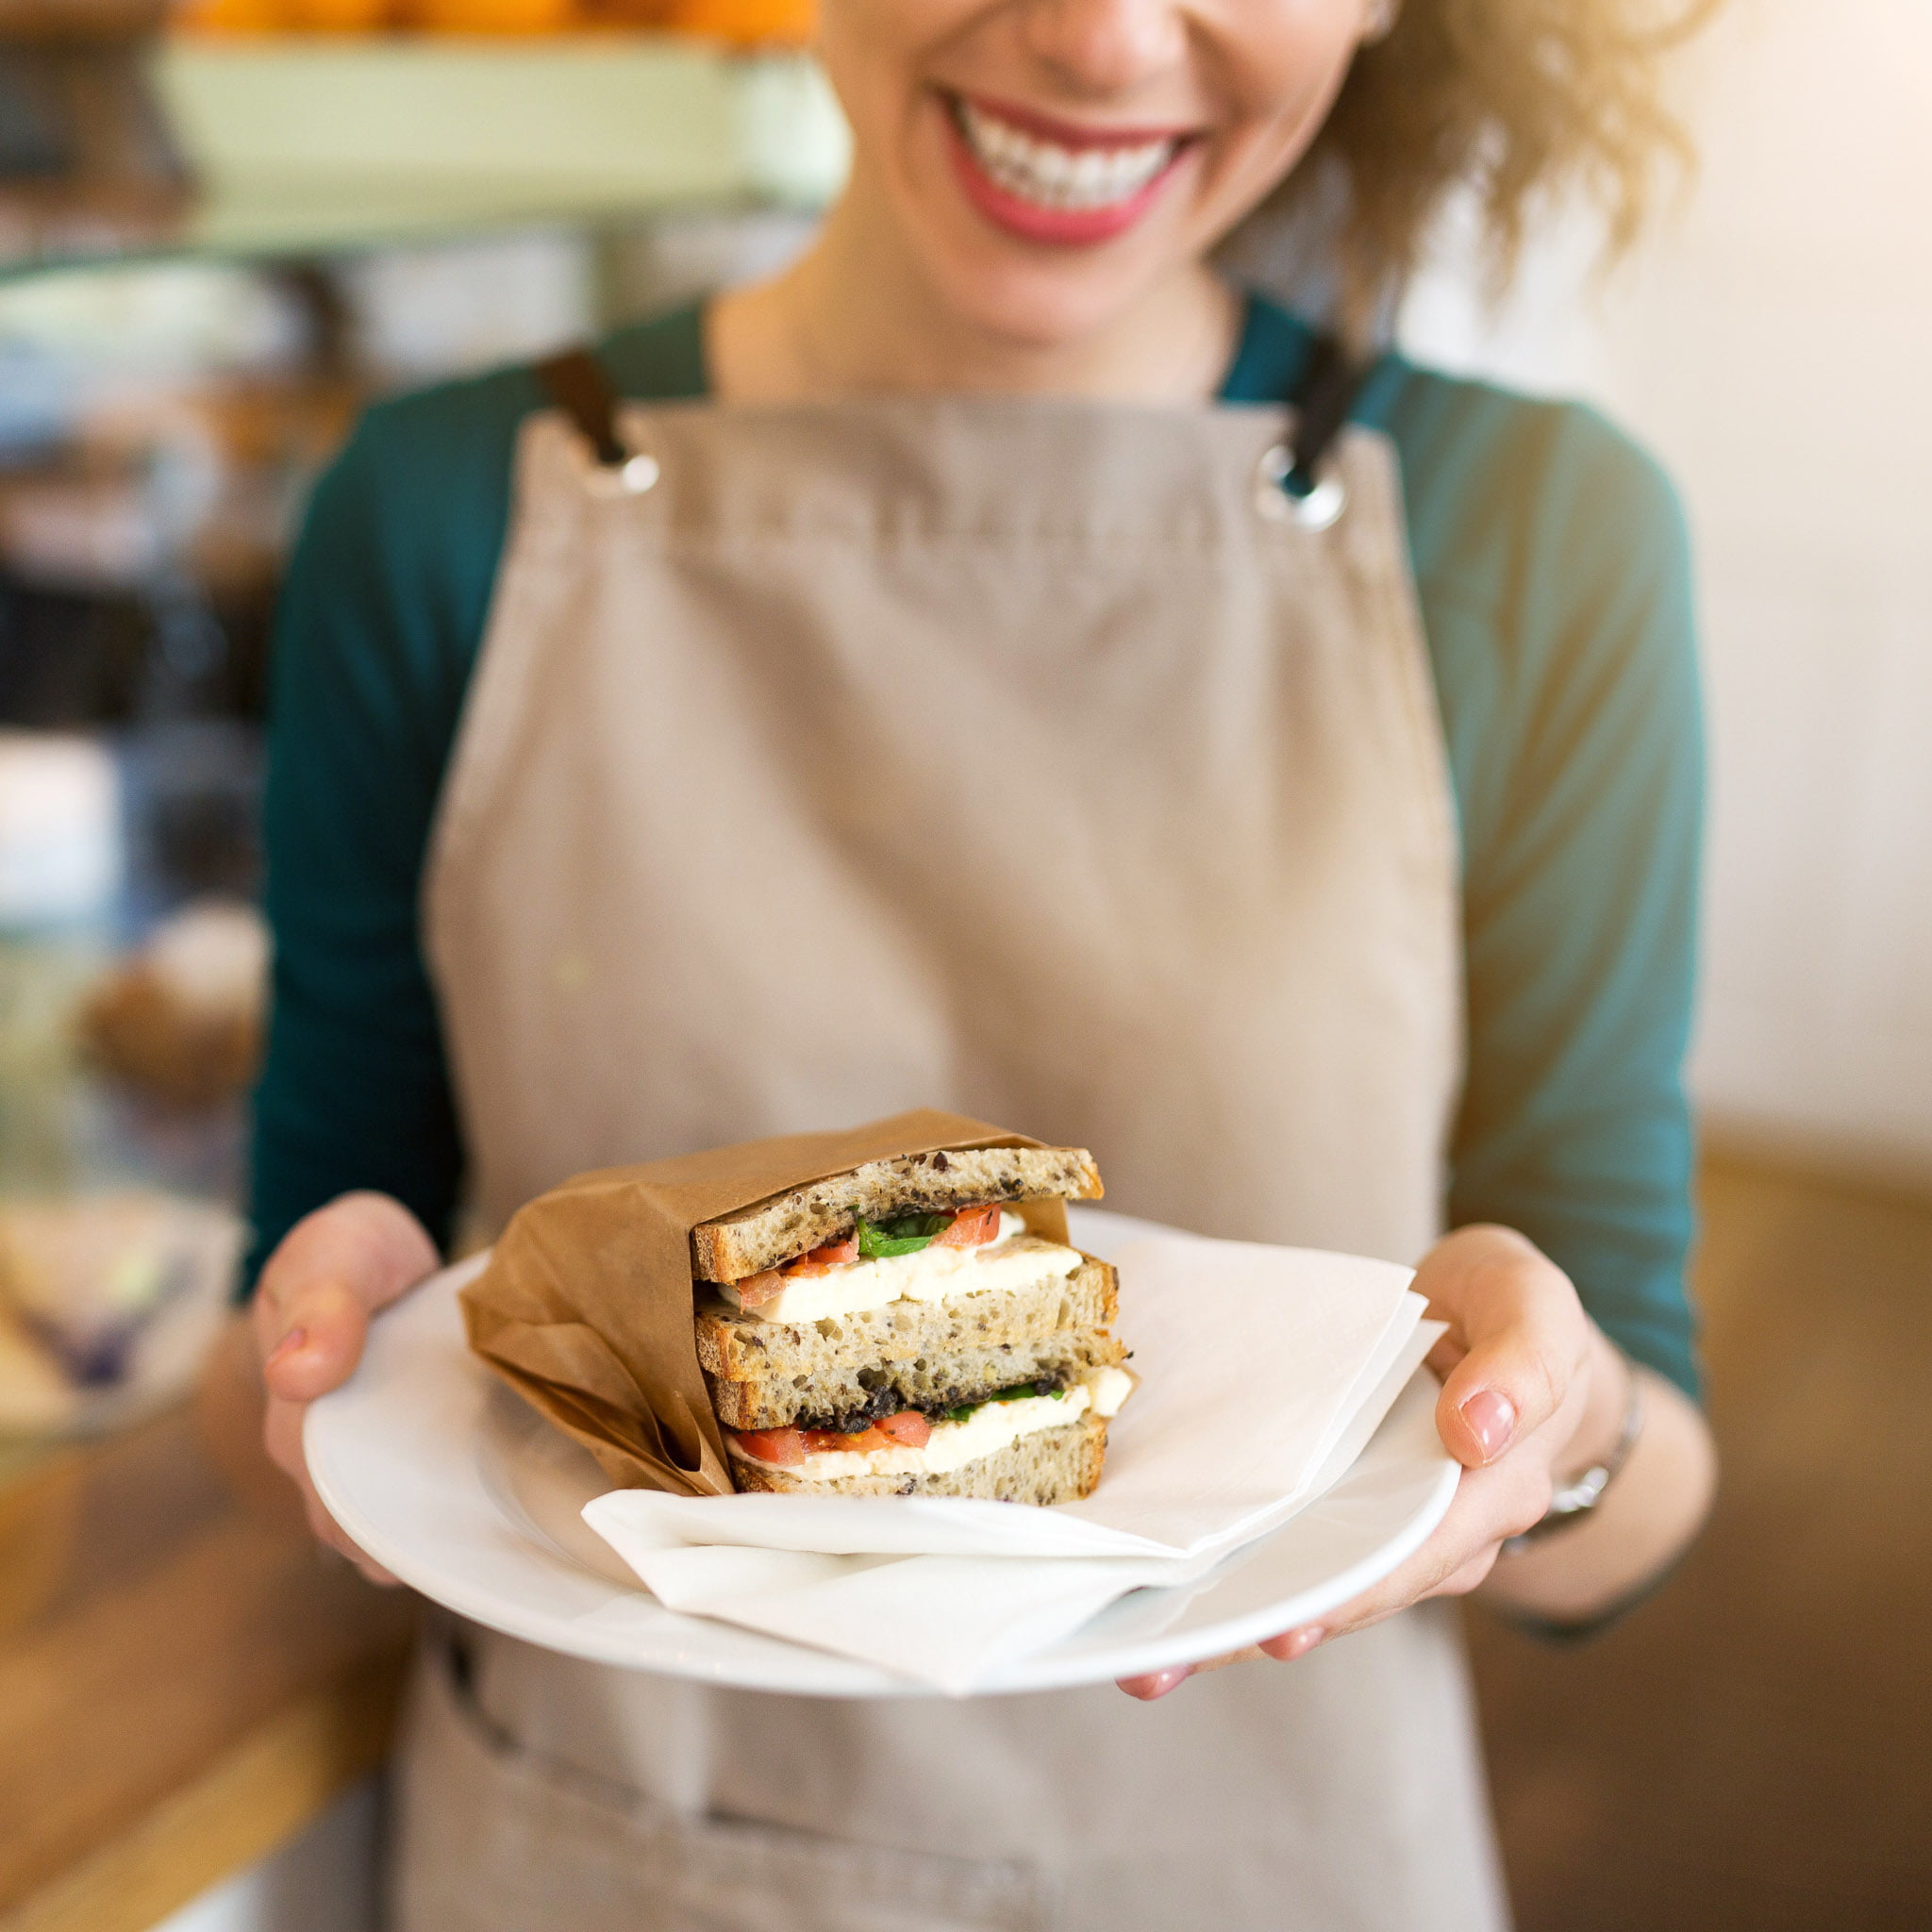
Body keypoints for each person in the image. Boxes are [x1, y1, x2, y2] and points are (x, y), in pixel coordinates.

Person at [214, 0, 1722, 1924]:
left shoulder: (1543, 532)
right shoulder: (435, 512)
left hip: (1268, 1855)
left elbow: (1640, 1492)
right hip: (601, 1848)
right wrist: (323, 1361)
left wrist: (1564, 1427)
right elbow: (262, 1395)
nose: (1100, 40)